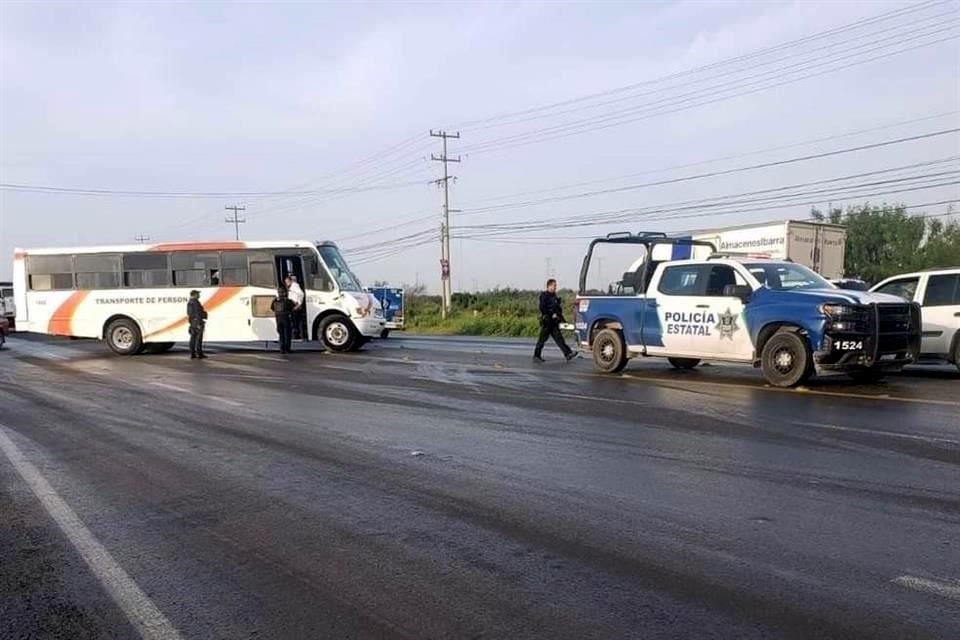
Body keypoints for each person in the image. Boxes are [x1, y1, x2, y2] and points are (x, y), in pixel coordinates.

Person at [534, 278, 577, 362]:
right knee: (542, 340)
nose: (555, 287)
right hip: (547, 321)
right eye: (554, 285)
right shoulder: (544, 296)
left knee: (559, 339)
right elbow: (542, 308)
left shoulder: (554, 297)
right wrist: (550, 314)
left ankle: (568, 354)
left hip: (554, 322)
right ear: (549, 286)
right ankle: (536, 355)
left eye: (555, 286)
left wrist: (563, 321)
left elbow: (558, 310)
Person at [271, 287, 295, 354]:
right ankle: (287, 349)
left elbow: (272, 308)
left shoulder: (275, 301)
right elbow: (293, 308)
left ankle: (282, 349)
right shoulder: (288, 301)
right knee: (287, 334)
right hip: (286, 319)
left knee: (281, 335)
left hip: (278, 319)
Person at [187, 290, 208, 359]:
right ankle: (199, 354)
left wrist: (191, 323)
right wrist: (199, 323)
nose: (199, 295)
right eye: (198, 294)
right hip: (197, 322)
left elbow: (189, 313)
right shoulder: (195, 302)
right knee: (198, 339)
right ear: (194, 295)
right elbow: (197, 313)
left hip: (193, 322)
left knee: (193, 338)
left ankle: (192, 354)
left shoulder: (190, 302)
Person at [285, 275, 306, 339]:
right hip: (293, 305)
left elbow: (301, 294)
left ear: (290, 281)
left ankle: (298, 336)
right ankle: (297, 335)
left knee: (296, 321)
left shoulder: (294, 285)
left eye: (287, 282)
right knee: (295, 321)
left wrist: (299, 304)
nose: (286, 283)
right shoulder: (291, 286)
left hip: (295, 305)